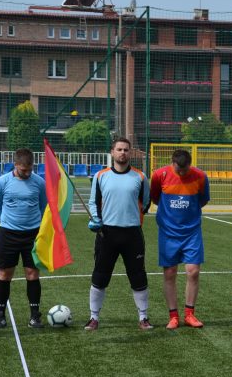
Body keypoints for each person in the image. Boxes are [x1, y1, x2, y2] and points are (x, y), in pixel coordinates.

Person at [85, 137, 151, 331]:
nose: (123, 153)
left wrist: (132, 216)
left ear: (130, 153)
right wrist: (96, 219)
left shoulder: (140, 177)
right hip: (107, 234)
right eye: (119, 149)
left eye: (126, 150)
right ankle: (93, 317)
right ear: (112, 152)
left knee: (138, 277)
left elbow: (146, 202)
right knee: (100, 276)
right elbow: (93, 202)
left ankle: (143, 317)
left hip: (132, 234)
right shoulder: (101, 176)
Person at [150, 149, 209, 330]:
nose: (182, 173)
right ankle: (173, 316)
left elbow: (203, 200)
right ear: (172, 162)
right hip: (168, 232)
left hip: (192, 232)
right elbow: (155, 198)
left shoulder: (200, 176)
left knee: (193, 271)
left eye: (185, 169)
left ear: (190, 164)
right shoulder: (159, 175)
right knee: (170, 273)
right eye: (179, 169)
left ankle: (189, 314)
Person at [0, 148, 47, 329]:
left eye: (30, 169)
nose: (27, 173)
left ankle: (35, 316)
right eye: (23, 170)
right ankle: (0, 316)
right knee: (4, 275)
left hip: (33, 235)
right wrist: (9, 223)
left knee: (32, 274)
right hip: (8, 234)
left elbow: (43, 206)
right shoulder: (2, 182)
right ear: (15, 165)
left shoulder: (39, 183)